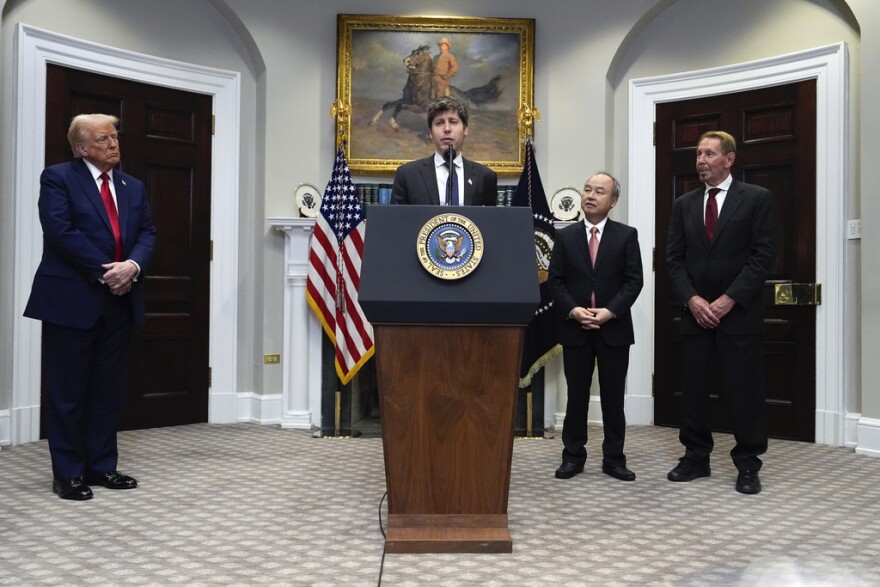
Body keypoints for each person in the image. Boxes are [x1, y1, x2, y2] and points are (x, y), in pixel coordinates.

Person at [24, 113, 157, 500]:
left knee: (107, 390)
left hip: (121, 300)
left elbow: (147, 232)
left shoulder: (133, 186)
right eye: (103, 139)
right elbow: (60, 230)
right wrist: (107, 272)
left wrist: (131, 267)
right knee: (68, 392)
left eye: (115, 137)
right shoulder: (59, 177)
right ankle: (68, 473)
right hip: (73, 299)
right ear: (81, 147)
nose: (114, 144)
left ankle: (101, 467)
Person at [665, 130, 775, 495]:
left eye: (709, 154)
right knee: (693, 390)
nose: (700, 160)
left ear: (729, 159)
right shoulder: (684, 204)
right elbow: (674, 261)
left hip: (738, 315)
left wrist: (728, 300)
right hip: (695, 315)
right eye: (698, 154)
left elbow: (763, 258)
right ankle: (695, 458)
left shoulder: (757, 199)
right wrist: (693, 300)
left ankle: (748, 464)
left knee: (744, 391)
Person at [547, 172, 643, 481]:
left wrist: (610, 312)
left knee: (613, 397)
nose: (590, 195)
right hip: (576, 328)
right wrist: (574, 310)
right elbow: (555, 282)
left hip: (613, 329)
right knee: (577, 396)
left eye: (599, 191)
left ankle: (614, 458)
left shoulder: (627, 235)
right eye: (587, 189)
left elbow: (633, 282)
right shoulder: (565, 236)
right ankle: (573, 456)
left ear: (612, 201)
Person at [391, 96, 497, 206]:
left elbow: (490, 221)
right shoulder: (408, 174)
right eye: (439, 123)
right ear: (430, 133)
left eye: (453, 122)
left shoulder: (485, 177)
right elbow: (398, 221)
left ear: (465, 129)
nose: (447, 129)